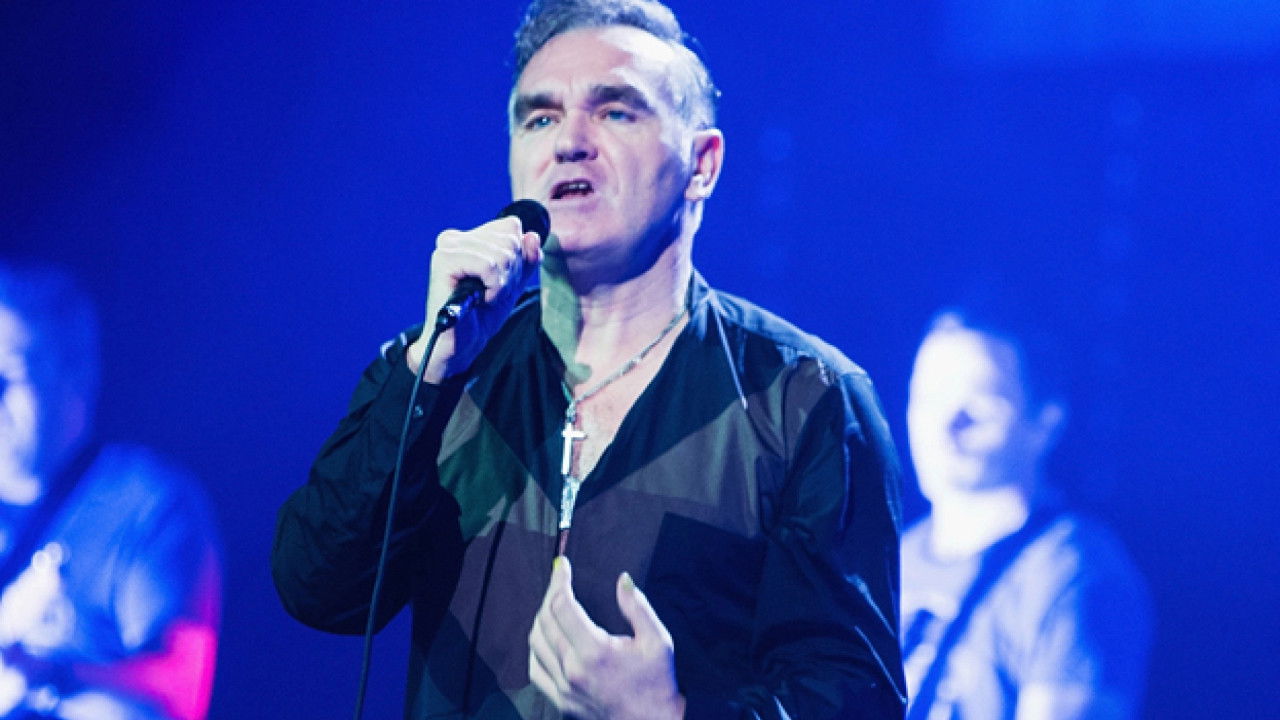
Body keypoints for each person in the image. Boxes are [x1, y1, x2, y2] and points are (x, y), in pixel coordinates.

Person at [271, 1, 906, 718]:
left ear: (701, 165)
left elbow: (851, 699)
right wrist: (430, 373)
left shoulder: (803, 399)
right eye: (539, 119)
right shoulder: (436, 371)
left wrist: (668, 715)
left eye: (615, 112)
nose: (569, 143)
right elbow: (319, 588)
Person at [899, 307, 1152, 720]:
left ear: (1045, 423)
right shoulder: (889, 562)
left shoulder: (1072, 572)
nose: (944, 427)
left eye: (979, 407)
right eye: (928, 399)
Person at [0, 262, 221, 720]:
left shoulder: (148, 504)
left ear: (76, 377)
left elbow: (179, 689)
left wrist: (45, 676)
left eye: (8, 376)